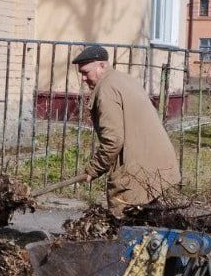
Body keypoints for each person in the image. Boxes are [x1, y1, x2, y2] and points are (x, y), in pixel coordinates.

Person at [72, 45, 181, 216]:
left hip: (139, 167)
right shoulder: (122, 80)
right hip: (157, 161)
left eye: (86, 72)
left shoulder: (106, 90)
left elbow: (113, 140)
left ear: (102, 66)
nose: (84, 79)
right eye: (82, 74)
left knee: (123, 218)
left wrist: (93, 169)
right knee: (146, 221)